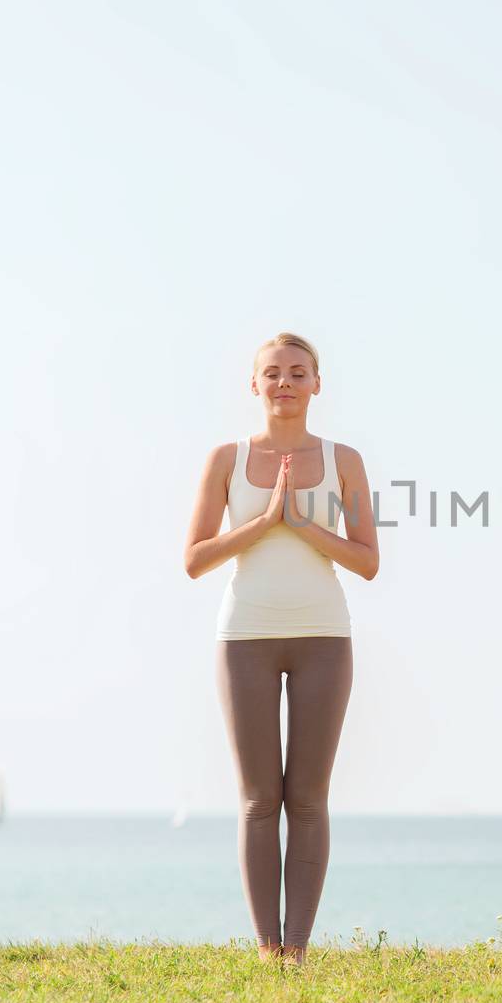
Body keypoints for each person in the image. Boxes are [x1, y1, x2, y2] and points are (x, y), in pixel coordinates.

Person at [183, 332, 379, 963]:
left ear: (317, 384)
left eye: (298, 373)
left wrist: (302, 525)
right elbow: (193, 560)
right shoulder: (225, 460)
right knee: (259, 798)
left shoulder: (344, 460)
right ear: (254, 384)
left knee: (308, 799)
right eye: (273, 374)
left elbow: (368, 562)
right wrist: (263, 524)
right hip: (245, 637)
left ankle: (298, 948)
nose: (285, 384)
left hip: (324, 636)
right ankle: (268, 949)